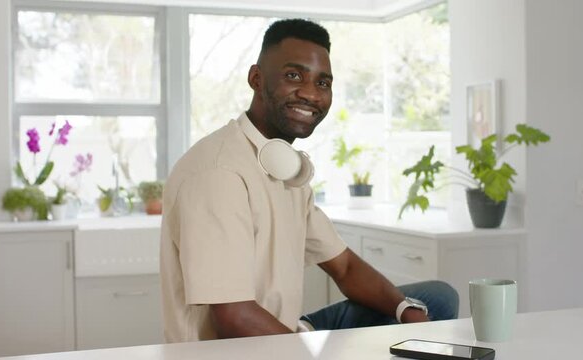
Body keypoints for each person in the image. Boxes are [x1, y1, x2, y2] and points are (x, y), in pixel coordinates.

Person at [160, 18, 458, 342]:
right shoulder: (218, 174)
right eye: (293, 76)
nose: (311, 94)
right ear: (256, 79)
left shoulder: (284, 168)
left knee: (436, 299)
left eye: (323, 83)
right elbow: (234, 316)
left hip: (287, 334)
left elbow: (343, 267)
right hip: (235, 350)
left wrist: (407, 313)